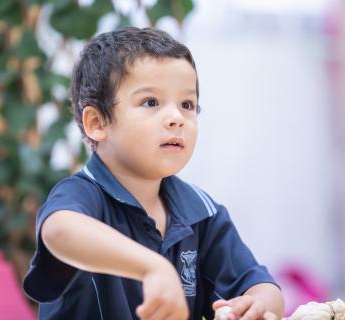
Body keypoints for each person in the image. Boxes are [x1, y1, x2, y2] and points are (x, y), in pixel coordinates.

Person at [23, 26, 284, 320]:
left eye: (187, 105)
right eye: (151, 102)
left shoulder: (202, 213)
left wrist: (257, 305)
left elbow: (261, 287)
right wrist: (153, 267)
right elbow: (59, 231)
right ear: (97, 122)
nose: (176, 118)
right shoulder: (81, 195)